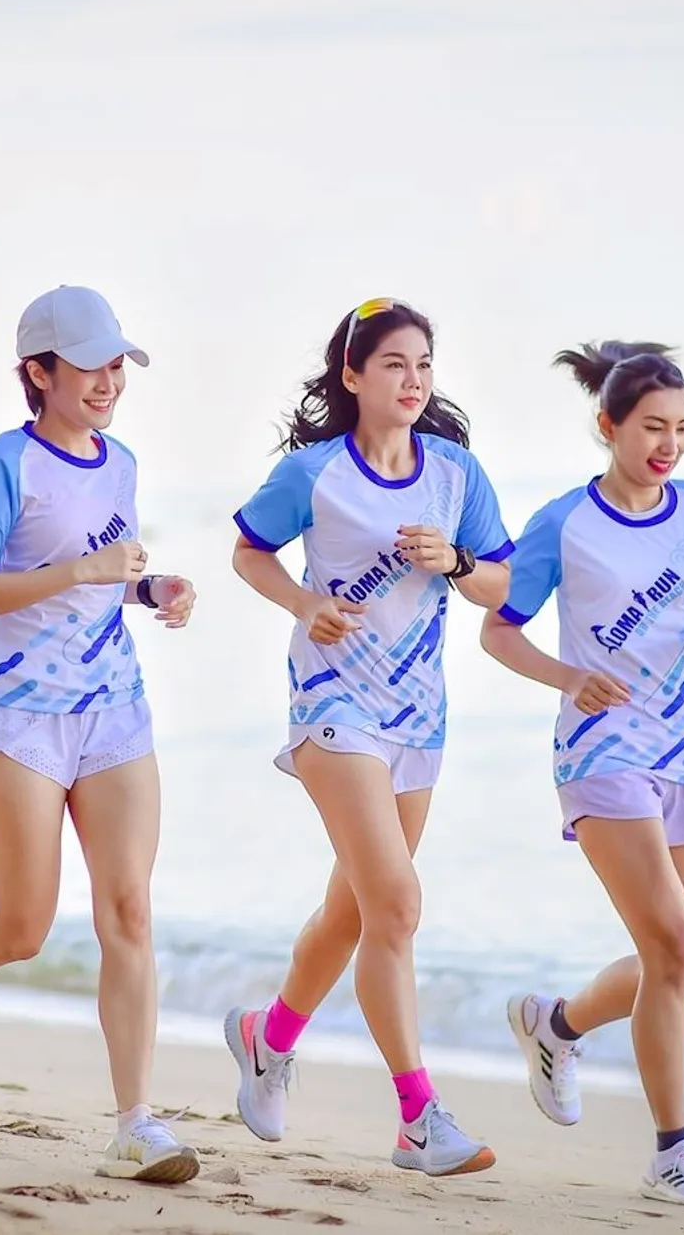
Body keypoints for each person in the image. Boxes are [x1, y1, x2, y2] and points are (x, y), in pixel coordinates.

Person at [0, 285, 201, 1184]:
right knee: (25, 925)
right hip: (17, 717)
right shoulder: (3, 465)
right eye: (91, 364)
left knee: (129, 910)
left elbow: (101, 581)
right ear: (38, 372)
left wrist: (151, 591)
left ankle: (136, 1123)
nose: (109, 380)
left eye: (117, 364)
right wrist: (84, 567)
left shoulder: (122, 462)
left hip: (113, 706)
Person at [220, 298, 515, 1177]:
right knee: (397, 902)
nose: (413, 380)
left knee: (355, 910)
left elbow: (504, 584)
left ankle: (267, 1036)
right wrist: (307, 603)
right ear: (353, 376)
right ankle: (418, 1116)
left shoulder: (457, 473)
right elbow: (248, 550)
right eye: (393, 364)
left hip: (418, 717)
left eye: (423, 363)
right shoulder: (314, 472)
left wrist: (455, 563)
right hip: (331, 706)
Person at [479, 341, 684, 1210]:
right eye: (651, 427)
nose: (668, 443)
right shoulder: (564, 522)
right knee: (671, 945)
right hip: (600, 750)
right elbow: (500, 630)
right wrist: (569, 677)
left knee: (683, 964)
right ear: (607, 426)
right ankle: (672, 1149)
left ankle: (557, 1024)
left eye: (682, 428)